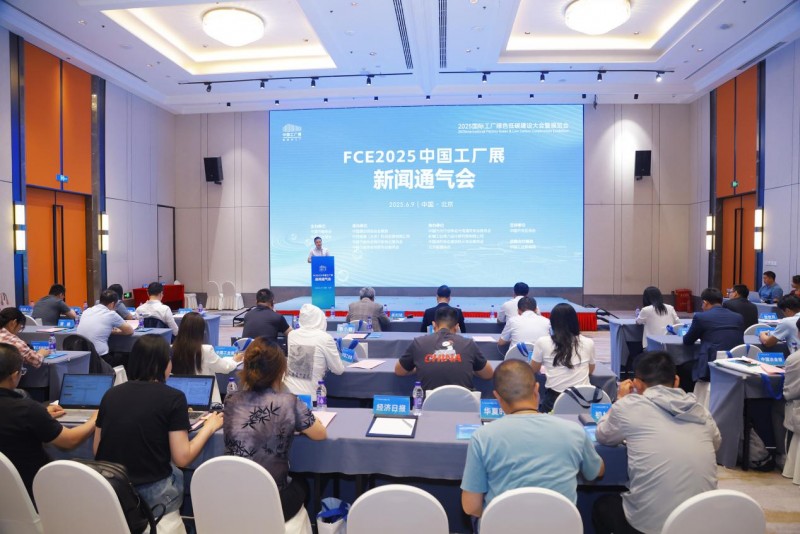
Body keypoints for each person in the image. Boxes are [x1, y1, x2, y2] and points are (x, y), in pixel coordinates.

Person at [94, 335, 223, 534]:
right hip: (154, 497)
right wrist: (209, 427)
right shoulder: (173, 398)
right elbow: (182, 458)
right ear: (163, 364)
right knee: (181, 473)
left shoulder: (110, 395)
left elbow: (97, 450)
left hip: (113, 490)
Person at [592, 351, 720, 534]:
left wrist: (620, 399)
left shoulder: (628, 406)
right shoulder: (701, 411)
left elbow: (603, 435)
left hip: (648, 527)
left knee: (603, 506)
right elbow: (716, 444)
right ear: (676, 381)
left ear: (637, 384)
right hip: (701, 525)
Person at [461, 359, 604, 521]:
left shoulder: (482, 437)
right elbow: (595, 472)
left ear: (497, 397)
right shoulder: (575, 431)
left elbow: (471, 506)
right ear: (536, 389)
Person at [224, 337, 326, 521]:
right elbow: (320, 433)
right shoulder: (288, 402)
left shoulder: (231, 400)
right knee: (303, 484)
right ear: (281, 371)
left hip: (234, 496)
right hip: (273, 500)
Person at [0, 343, 97, 500]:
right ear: (14, 375)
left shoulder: (28, 411)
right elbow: (70, 441)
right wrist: (95, 419)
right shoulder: (26, 410)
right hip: (33, 489)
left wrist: (42, 414)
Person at [396, 306, 493, 391]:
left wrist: (419, 366)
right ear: (457, 327)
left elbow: (399, 371)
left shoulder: (418, 343)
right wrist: (469, 367)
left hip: (428, 404)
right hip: (463, 404)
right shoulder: (469, 344)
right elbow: (488, 374)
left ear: (434, 325)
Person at [531, 303, 596, 412]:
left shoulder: (542, 342)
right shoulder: (588, 342)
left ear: (552, 322)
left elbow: (533, 369)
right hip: (583, 399)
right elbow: (591, 370)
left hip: (554, 399)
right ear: (575, 321)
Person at [171, 312, 243, 404]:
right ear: (201, 331)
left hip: (180, 401)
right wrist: (234, 360)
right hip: (206, 401)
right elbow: (225, 368)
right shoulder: (205, 350)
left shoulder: (171, 349)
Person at [682, 288, 744, 390]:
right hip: (735, 366)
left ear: (705, 302)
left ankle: (694, 397)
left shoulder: (701, 317)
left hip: (711, 366)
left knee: (683, 368)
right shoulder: (738, 317)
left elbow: (687, 341)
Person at [284, 304, 344, 399]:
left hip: (288, 393)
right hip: (312, 397)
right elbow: (338, 370)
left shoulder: (292, 335)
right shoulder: (325, 338)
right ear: (320, 319)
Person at [77, 290, 134, 360]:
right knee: (126, 357)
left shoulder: (87, 311)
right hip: (100, 358)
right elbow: (129, 331)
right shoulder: (111, 314)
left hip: (82, 356)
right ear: (112, 304)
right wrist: (115, 332)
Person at [783, 323, 800, 484]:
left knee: (778, 408)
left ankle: (779, 456)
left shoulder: (794, 359)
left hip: (797, 409)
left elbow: (790, 392)